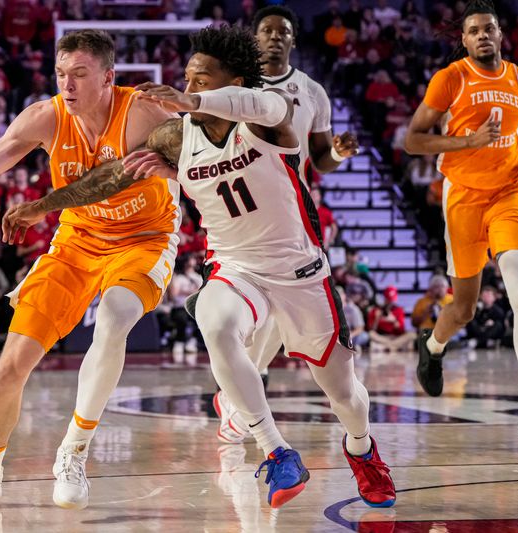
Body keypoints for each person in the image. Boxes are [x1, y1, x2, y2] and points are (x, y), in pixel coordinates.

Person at [7, 25, 394, 510]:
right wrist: (43, 204)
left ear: (235, 81)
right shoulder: (177, 135)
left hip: (299, 272)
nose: (190, 90)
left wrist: (194, 104)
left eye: (203, 80)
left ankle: (361, 448)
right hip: (236, 270)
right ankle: (276, 451)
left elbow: (250, 105)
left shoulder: (272, 113)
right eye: (188, 80)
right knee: (213, 319)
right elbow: (110, 176)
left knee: (345, 395)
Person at [0, 29, 180, 511]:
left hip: (144, 239)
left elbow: (202, 163)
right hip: (76, 240)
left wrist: (175, 171)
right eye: (61, 74)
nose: (67, 85)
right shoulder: (45, 117)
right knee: (11, 363)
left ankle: (73, 451)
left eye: (80, 75)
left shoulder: (145, 114)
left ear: (108, 78)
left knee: (113, 318)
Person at [211, 5, 361, 446]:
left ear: (293, 40)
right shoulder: (233, 86)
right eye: (267, 30)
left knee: (281, 310)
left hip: (292, 213)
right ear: (254, 38)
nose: (275, 37)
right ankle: (239, 390)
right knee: (241, 311)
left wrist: (338, 153)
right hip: (240, 212)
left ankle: (238, 395)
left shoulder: (312, 92)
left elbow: (320, 162)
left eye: (284, 32)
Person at [404, 0, 518, 444]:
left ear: (501, 34)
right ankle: (433, 346)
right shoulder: (451, 79)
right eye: (474, 30)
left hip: (507, 196)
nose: (482, 35)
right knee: (463, 308)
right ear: (463, 40)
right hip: (462, 198)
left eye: (489, 28)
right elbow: (413, 140)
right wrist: (468, 141)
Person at [368, 286, 415, 352]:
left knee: (412, 335)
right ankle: (394, 347)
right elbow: (372, 330)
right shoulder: (376, 310)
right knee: (371, 334)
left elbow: (401, 330)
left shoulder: (399, 310)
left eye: (392, 300)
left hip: (396, 338)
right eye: (388, 300)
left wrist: (393, 320)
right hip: (382, 337)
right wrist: (377, 318)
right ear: (384, 298)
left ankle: (389, 347)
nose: (390, 302)